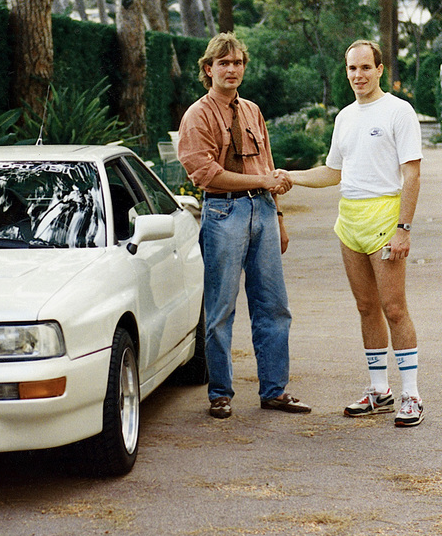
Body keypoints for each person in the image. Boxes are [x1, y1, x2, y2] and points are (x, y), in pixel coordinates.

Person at [285, 39, 424, 426]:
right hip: (350, 221)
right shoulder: (345, 117)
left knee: (394, 308)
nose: (358, 75)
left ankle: (412, 396)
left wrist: (403, 229)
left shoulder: (398, 111)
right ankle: (380, 391)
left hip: (385, 219)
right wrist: (289, 176)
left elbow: (412, 174)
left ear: (380, 70)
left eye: (365, 67)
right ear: (345, 71)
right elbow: (334, 172)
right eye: (352, 68)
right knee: (366, 307)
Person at [177, 32, 311, 419]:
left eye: (237, 63)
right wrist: (262, 181)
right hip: (223, 214)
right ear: (209, 69)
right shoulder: (197, 115)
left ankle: (274, 390)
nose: (232, 69)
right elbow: (205, 174)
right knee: (220, 310)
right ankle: (220, 393)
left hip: (263, 212)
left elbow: (266, 166)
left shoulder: (252, 110)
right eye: (224, 63)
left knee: (274, 306)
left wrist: (278, 217)